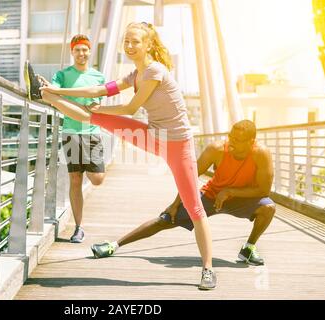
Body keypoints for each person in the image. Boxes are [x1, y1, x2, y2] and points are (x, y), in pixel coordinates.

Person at [29, 22, 216, 290]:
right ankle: (45, 96)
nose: (129, 46)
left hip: (178, 145)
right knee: (94, 116)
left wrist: (101, 111)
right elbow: (98, 91)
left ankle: (207, 269)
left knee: (194, 208)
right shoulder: (135, 74)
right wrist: (58, 91)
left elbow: (130, 107)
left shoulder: (154, 71)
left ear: (148, 44)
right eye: (126, 41)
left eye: (135, 42)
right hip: (153, 136)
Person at [91, 120, 276, 266]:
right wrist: (175, 204)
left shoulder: (262, 154)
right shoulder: (217, 149)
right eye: (230, 136)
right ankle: (114, 245)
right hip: (211, 196)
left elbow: (263, 190)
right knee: (164, 220)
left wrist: (229, 191)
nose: (231, 142)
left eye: (237, 140)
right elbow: (191, 176)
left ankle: (248, 248)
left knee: (268, 208)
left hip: (238, 198)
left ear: (252, 142)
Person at [25, 34, 106, 243]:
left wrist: (58, 96)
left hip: (92, 133)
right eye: (77, 49)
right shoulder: (62, 75)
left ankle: (89, 166)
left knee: (97, 179)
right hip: (71, 133)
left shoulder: (98, 77)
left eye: (85, 49)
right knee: (75, 179)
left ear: (90, 52)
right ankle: (79, 228)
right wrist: (47, 89)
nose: (81, 53)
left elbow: (93, 107)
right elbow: (55, 96)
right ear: (72, 52)